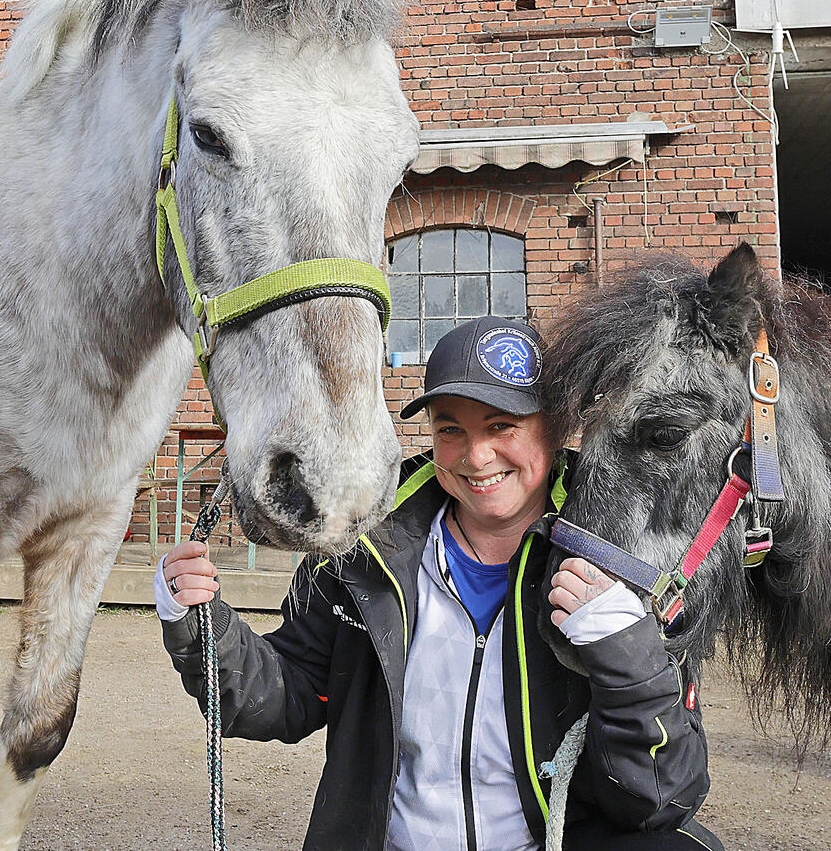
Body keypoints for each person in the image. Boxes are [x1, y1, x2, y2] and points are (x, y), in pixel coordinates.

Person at [156, 316, 722, 850]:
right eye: (451, 429)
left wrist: (631, 662)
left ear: (553, 430)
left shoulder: (626, 559)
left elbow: (659, 797)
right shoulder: (363, 553)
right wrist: (201, 625)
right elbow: (284, 697)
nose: (476, 456)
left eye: (502, 426)